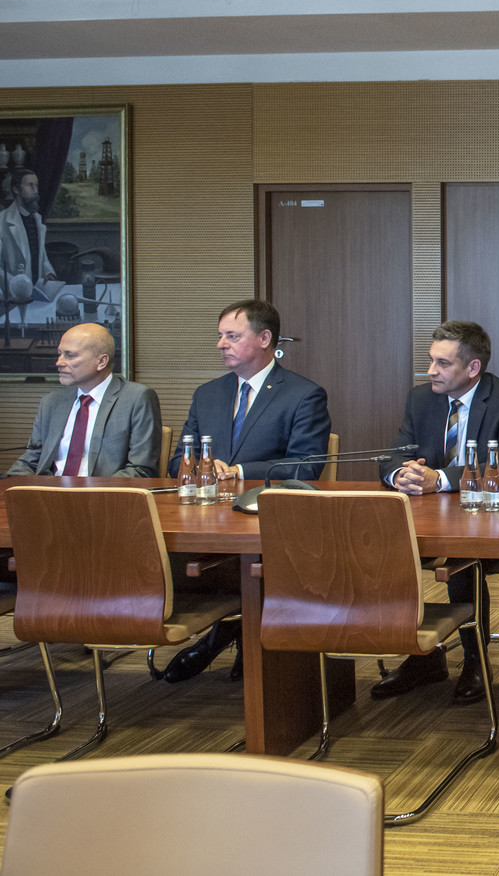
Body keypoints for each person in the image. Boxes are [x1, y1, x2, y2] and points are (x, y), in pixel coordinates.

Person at [161, 299, 331, 684]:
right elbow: (177, 462)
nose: (220, 344)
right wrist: (200, 468)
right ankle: (229, 629)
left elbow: (305, 466)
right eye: (220, 335)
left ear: (265, 339)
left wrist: (237, 471)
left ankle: (233, 636)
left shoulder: (303, 394)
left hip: (269, 525)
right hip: (205, 521)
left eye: (232, 336)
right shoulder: (207, 394)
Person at [372, 320, 499, 706]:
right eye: (431, 361)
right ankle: (422, 656)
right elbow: (393, 455)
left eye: (442, 363)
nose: (431, 371)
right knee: (385, 548)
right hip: (427, 515)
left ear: (473, 368)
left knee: (464, 559)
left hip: (488, 513)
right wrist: (401, 475)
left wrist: (438, 479)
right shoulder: (420, 399)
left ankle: (476, 660)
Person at [7, 322, 160, 477]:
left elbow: (141, 470)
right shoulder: (51, 402)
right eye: (60, 354)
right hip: (49, 489)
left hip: (103, 491)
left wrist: (90, 492)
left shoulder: (136, 398)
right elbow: (30, 462)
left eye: (70, 355)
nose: (59, 362)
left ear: (101, 361)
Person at [0, 170, 54, 288]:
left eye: (36, 185)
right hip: (11, 294)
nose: (36, 191)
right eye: (30, 185)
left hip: (37, 291)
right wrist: (17, 285)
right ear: (16, 189)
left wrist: (48, 272)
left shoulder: (37, 219)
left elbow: (42, 256)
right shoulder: (2, 221)